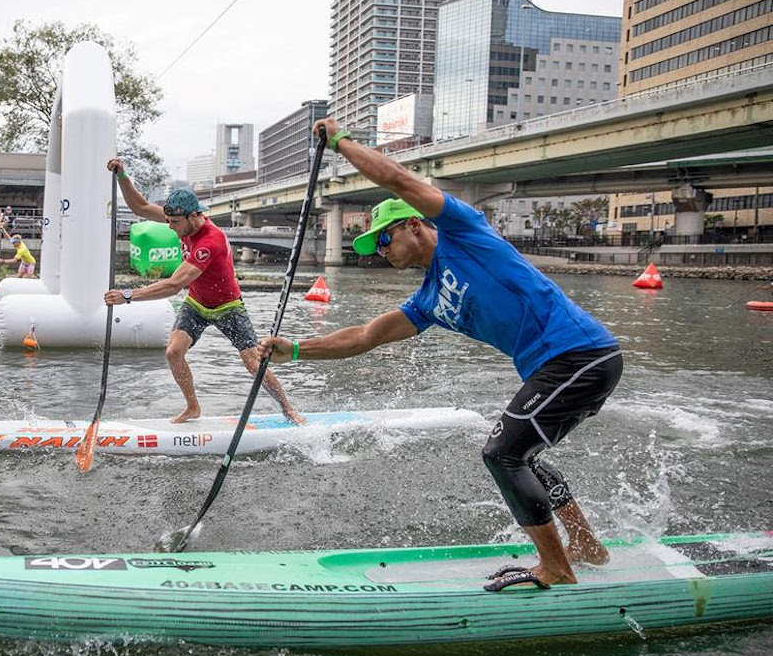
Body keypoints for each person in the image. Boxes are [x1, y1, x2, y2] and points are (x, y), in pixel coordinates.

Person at [257, 118, 622, 592]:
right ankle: (586, 545)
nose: (379, 251)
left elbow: (398, 180)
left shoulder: (462, 232)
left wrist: (340, 143)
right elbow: (365, 337)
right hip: (561, 365)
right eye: (373, 247)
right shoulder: (427, 299)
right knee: (520, 454)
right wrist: (297, 349)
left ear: (414, 223)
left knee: (501, 454)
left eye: (384, 238)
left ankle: (555, 568)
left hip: (580, 354)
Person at [103, 159, 303, 425]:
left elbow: (174, 285)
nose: (170, 227)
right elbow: (140, 207)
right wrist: (122, 176)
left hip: (228, 306)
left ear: (193, 215)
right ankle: (193, 407)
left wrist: (128, 296)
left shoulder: (211, 241)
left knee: (253, 363)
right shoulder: (179, 219)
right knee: (174, 352)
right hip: (197, 303)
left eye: (174, 222)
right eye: (168, 220)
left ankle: (289, 410)